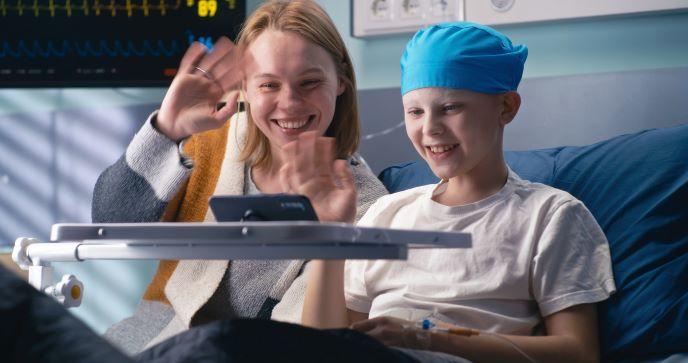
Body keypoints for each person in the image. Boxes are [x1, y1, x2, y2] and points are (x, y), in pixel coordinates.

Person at [280, 22, 616, 362]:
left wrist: (426, 338)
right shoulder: (387, 212)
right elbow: (324, 348)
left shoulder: (550, 216)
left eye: (451, 107)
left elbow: (579, 353)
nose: (430, 128)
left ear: (506, 107)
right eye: (415, 112)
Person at [91, 0, 387, 354]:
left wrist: (330, 232)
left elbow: (308, 339)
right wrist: (166, 130)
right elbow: (110, 223)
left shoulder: (362, 202)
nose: (290, 102)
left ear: (340, 81)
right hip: (146, 343)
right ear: (244, 87)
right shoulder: (209, 143)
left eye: (309, 82)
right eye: (269, 85)